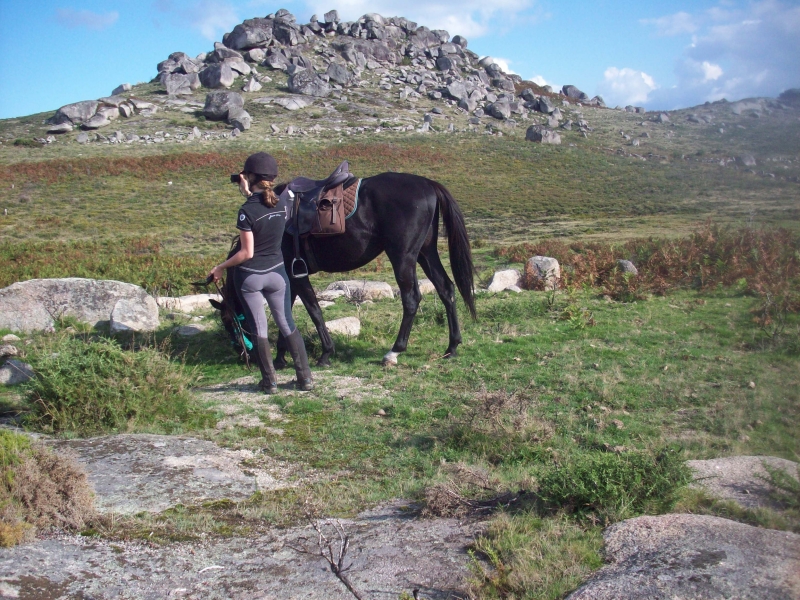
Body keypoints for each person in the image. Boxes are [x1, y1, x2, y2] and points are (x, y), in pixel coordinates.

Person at [208, 152, 314, 393]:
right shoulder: (282, 202)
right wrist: (249, 191)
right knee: (287, 324)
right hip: (278, 274)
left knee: (260, 328)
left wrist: (220, 268)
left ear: (250, 177)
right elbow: (267, 202)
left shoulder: (247, 211)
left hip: (251, 278)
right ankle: (305, 378)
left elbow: (246, 253)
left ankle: (270, 382)